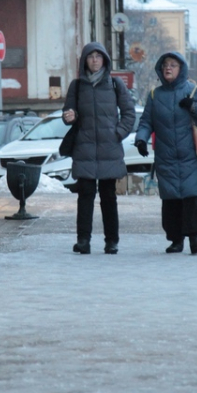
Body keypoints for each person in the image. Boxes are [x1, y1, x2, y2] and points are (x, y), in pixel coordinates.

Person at [133, 52, 197, 254]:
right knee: (171, 200)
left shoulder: (195, 90)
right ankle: (175, 240)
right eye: (165, 66)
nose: (168, 68)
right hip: (166, 156)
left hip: (192, 155)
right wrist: (141, 139)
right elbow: (146, 121)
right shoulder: (155, 95)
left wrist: (193, 106)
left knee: (191, 197)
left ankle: (194, 238)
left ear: (181, 69)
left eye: (172, 65)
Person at [62, 42, 135, 255]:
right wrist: (69, 116)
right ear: (85, 60)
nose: (94, 60)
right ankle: (83, 240)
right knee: (84, 196)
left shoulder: (114, 85)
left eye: (98, 56)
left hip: (108, 149)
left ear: (105, 60)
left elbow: (129, 114)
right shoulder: (76, 86)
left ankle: (111, 241)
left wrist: (118, 134)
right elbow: (68, 113)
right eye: (90, 56)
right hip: (84, 149)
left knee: (108, 196)